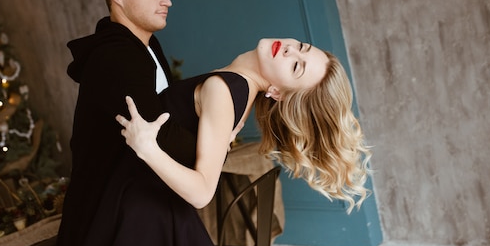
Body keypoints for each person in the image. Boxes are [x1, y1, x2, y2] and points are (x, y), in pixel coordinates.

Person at [50, 0, 224, 246]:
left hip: (137, 208)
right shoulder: (116, 57)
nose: (167, 1)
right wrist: (215, 140)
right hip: (106, 219)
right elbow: (157, 131)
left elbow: (165, 112)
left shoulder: (146, 47)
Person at [118, 38, 371, 218]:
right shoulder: (237, 94)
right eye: (302, 47)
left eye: (296, 66)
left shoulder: (224, 91)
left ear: (278, 93)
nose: (290, 50)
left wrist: (147, 148)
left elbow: (202, 193)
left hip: (130, 203)